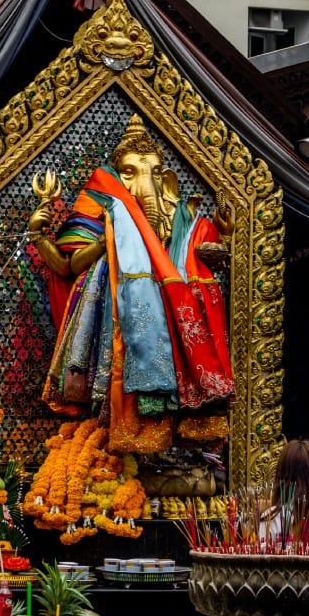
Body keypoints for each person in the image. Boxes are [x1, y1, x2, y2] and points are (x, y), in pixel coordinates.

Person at [28, 113, 234, 454]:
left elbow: (201, 255)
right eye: (131, 172)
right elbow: (66, 265)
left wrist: (224, 234)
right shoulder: (101, 201)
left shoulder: (177, 217)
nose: (144, 182)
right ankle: (107, 440)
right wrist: (42, 234)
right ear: (116, 176)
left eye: (153, 172)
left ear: (163, 179)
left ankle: (165, 448)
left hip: (159, 319)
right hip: (105, 310)